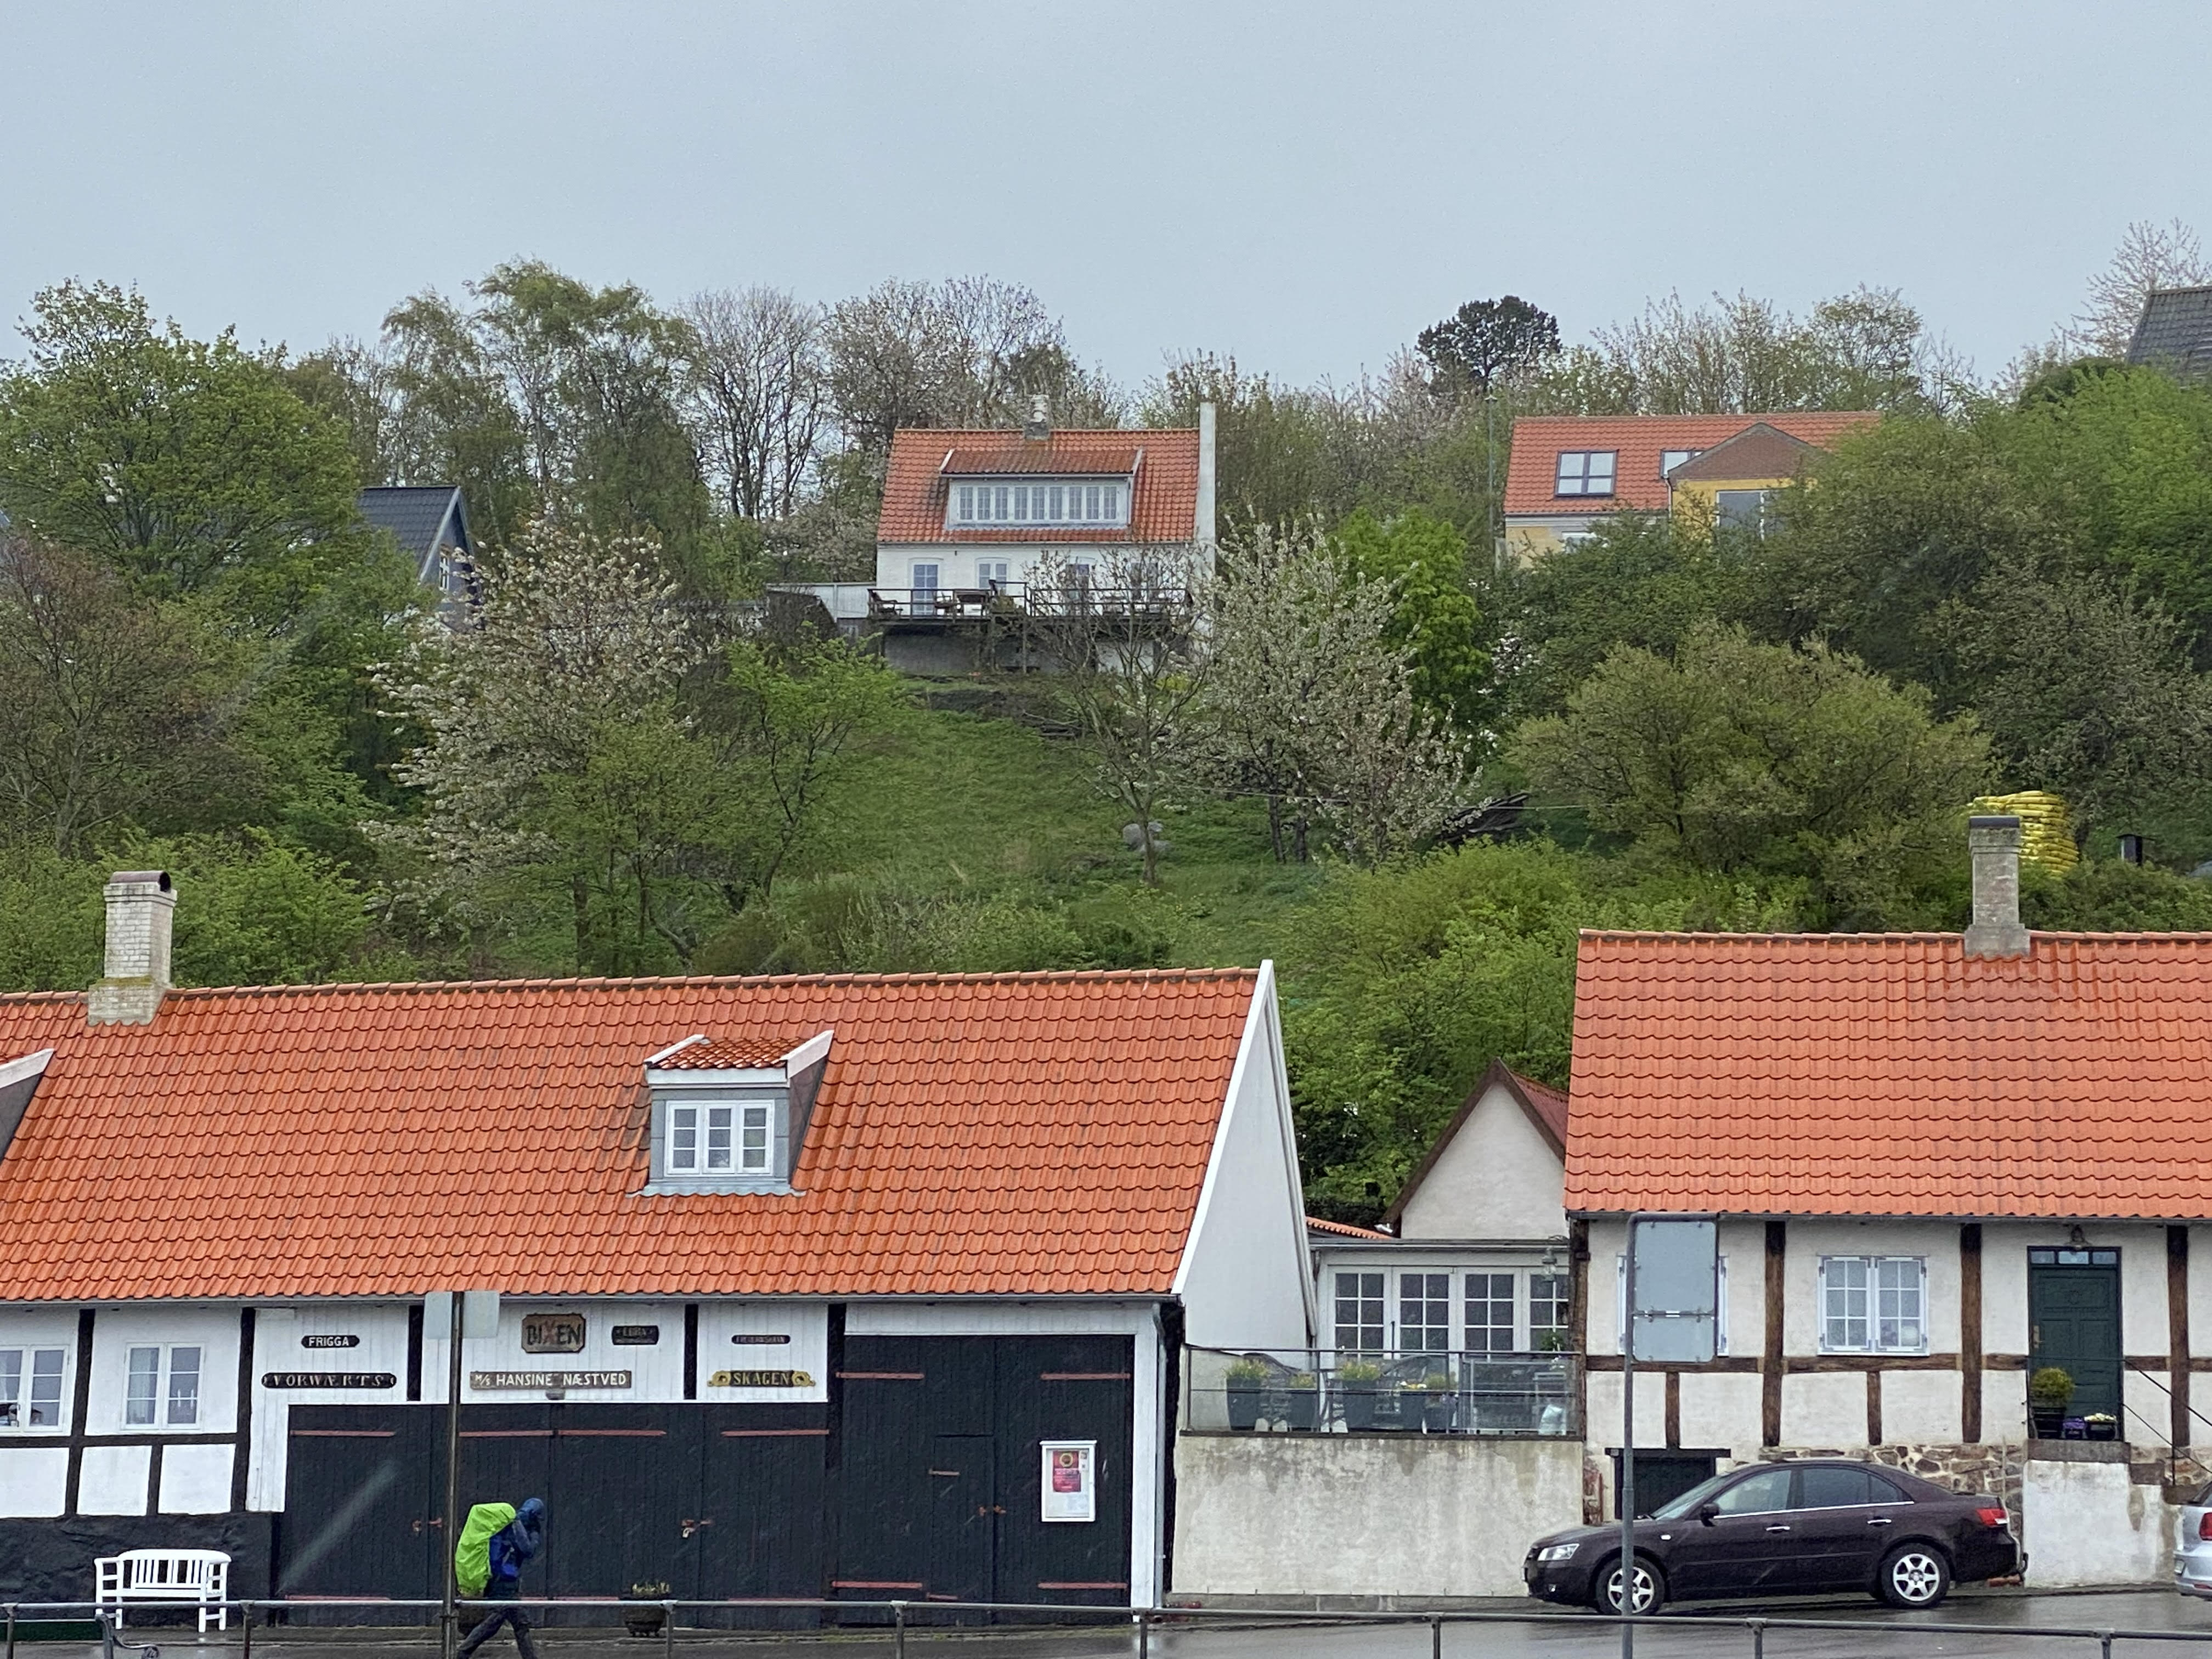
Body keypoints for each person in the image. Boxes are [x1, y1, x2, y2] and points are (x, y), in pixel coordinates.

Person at [455, 1496, 544, 1659]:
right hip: (505, 1581)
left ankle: (464, 1652)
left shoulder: (500, 1525)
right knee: (496, 1622)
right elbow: (527, 1550)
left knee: (518, 1623)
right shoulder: (514, 1525)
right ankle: (463, 1652)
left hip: (499, 1579)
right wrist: (535, 1534)